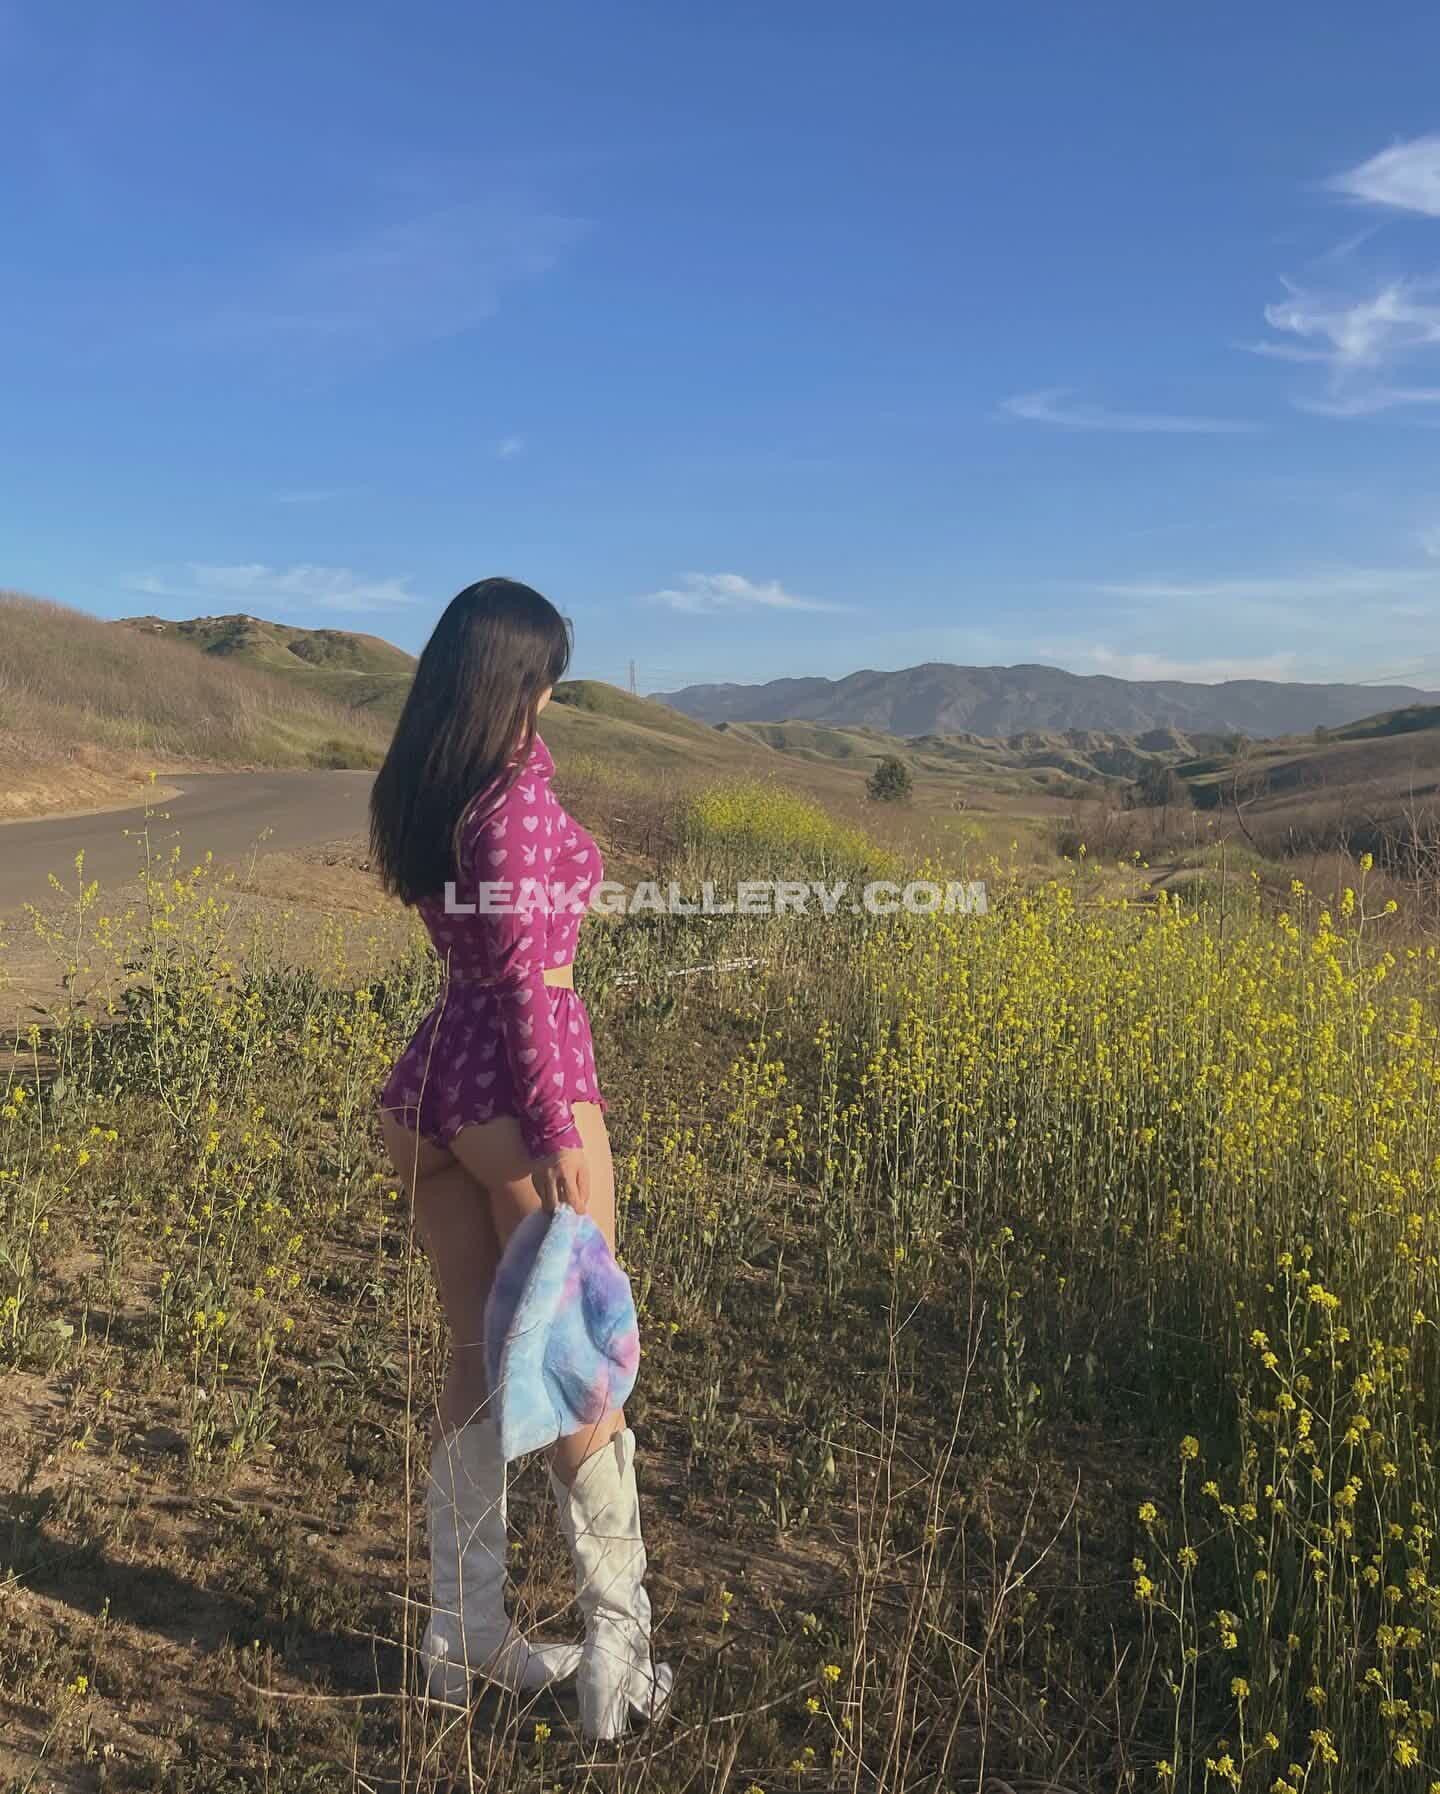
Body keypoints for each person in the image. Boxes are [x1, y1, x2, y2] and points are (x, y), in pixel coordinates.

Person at [369, 578, 672, 1740]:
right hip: (516, 1095)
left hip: (436, 1087)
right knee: (582, 1368)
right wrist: (556, 1142)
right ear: (513, 682)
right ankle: (616, 1661)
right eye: (543, 680)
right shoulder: (511, 808)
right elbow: (533, 993)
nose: (549, 700)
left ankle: (464, 1639)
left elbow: (477, 969)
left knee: (477, 1360)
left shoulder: (427, 786)